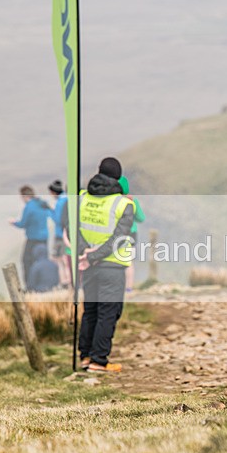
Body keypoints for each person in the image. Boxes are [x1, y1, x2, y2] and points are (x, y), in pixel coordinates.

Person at [75, 157, 136, 373]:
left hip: (87, 265)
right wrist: (95, 256)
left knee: (90, 310)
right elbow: (118, 238)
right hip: (112, 266)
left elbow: (72, 227)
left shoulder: (81, 197)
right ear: (118, 178)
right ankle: (99, 361)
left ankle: (85, 356)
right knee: (108, 312)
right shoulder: (124, 204)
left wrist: (85, 253)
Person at [9, 185, 51, 290]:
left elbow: (23, 224)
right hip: (44, 237)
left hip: (33, 239)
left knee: (26, 262)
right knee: (43, 261)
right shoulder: (41, 203)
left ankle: (30, 287)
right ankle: (46, 285)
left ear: (24, 196)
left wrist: (13, 222)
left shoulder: (29, 207)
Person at [118, 176, 145, 292]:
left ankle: (121, 286)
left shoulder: (113, 201)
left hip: (117, 233)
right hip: (131, 233)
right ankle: (128, 287)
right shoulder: (133, 201)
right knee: (128, 261)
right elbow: (141, 218)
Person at [48, 180, 71, 288]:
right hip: (67, 234)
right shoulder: (67, 198)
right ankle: (68, 281)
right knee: (65, 258)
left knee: (60, 259)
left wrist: (50, 212)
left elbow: (58, 219)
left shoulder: (60, 202)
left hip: (60, 234)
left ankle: (65, 282)